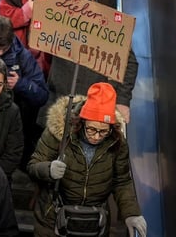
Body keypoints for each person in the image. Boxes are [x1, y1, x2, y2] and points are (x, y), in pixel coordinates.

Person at [28, 83, 146, 237]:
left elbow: (122, 181)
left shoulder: (117, 142)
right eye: (91, 129)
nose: (96, 136)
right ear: (81, 122)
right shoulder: (59, 132)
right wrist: (48, 169)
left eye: (103, 131)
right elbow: (33, 166)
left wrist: (131, 213)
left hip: (94, 222)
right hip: (53, 219)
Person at [38, 0, 139, 129]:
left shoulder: (107, 24)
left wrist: (123, 100)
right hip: (56, 101)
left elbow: (130, 64)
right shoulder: (56, 13)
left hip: (90, 107)